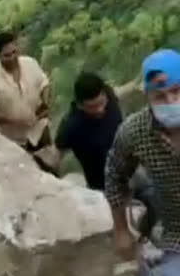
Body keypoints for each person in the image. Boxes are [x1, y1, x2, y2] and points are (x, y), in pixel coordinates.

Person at [105, 48, 180, 276]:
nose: (171, 101)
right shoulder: (135, 132)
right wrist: (121, 229)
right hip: (177, 235)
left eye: (177, 91)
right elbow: (114, 175)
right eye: (161, 96)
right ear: (147, 97)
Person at [56, 72, 157, 237]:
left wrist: (134, 86)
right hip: (104, 185)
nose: (100, 109)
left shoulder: (109, 94)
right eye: (92, 107)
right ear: (80, 105)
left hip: (132, 168)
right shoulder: (71, 126)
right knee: (128, 225)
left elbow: (118, 92)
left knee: (158, 197)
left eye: (101, 103)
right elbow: (57, 154)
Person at [0, 31, 51, 151]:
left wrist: (46, 102)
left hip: (39, 128)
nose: (12, 58)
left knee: (50, 160)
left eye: (14, 53)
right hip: (14, 140)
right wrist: (14, 120)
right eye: (7, 55)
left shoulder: (30, 63)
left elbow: (44, 84)